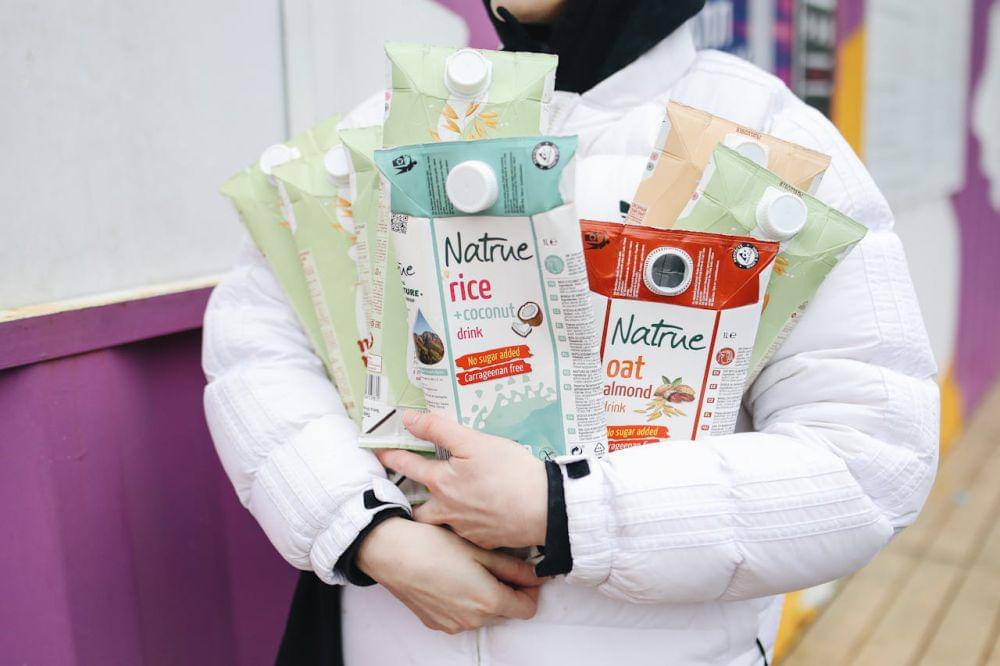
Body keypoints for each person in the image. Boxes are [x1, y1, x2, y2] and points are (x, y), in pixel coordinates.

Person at [203, 1, 940, 663]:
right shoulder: (398, 122)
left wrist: (565, 510)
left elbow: (869, 459)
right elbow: (258, 348)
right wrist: (365, 533)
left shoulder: (772, 142)